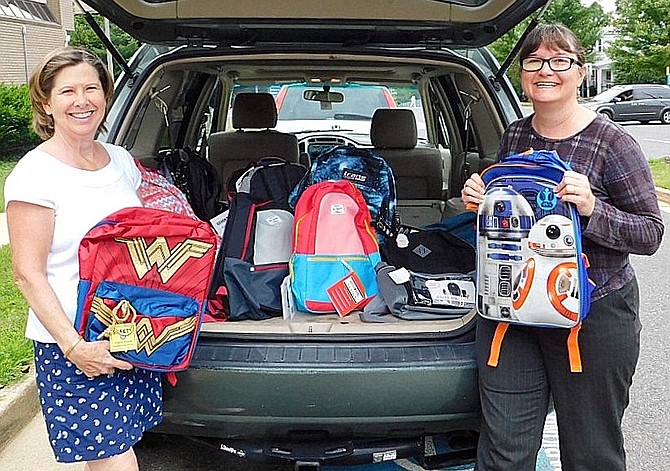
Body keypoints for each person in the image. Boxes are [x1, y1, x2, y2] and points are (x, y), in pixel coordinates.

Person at [461, 24, 664, 471]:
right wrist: (483, 200)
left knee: (590, 453)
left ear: (580, 71)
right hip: (513, 310)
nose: (545, 71)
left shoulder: (613, 143)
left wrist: (592, 208)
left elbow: (651, 233)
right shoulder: (515, 136)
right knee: (504, 450)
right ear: (522, 73)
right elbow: (514, 218)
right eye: (533, 61)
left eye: (559, 61)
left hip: (592, 317)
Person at [4, 47, 162, 470]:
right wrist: (74, 347)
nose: (82, 100)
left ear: (106, 96)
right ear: (45, 101)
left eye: (91, 88)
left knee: (124, 442)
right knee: (114, 459)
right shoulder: (35, 174)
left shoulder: (121, 162)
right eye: (67, 91)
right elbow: (27, 274)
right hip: (73, 341)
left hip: (129, 331)